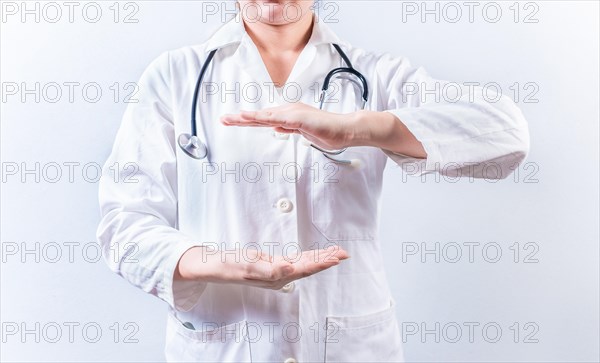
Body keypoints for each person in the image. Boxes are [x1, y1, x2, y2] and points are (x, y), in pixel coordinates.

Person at [96, 1, 530, 362]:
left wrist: (356, 127)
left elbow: (505, 132)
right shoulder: (175, 77)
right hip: (223, 343)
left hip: (352, 345)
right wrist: (219, 263)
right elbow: (124, 226)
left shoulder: (373, 74)